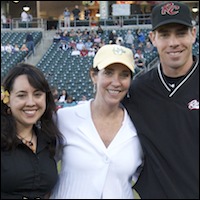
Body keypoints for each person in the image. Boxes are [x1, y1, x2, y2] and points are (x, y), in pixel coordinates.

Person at [122, 1, 199, 199]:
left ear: (193, 34)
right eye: (164, 35)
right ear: (153, 38)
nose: (173, 42)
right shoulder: (138, 90)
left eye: (181, 33)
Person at [50, 44, 143, 199]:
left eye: (124, 75)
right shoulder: (64, 118)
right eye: (108, 73)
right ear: (94, 75)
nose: (116, 82)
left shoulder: (138, 127)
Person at [1, 63, 64, 199]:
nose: (31, 102)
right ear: (7, 99)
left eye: (37, 94)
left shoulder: (49, 140)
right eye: (21, 95)